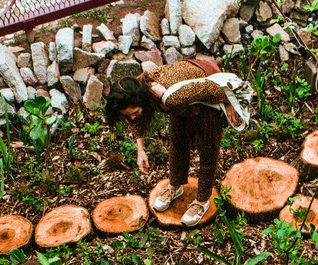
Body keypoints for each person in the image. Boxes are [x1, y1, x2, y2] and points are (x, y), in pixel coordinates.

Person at [105, 60, 252, 227]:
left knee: (207, 151)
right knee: (177, 146)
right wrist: (140, 150)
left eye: (135, 112)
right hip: (182, 100)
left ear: (142, 102)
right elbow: (136, 121)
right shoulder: (136, 87)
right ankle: (176, 186)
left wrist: (227, 100)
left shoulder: (172, 98)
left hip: (208, 95)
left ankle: (202, 201)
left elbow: (210, 88)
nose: (132, 117)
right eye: (128, 115)